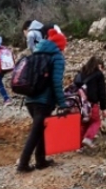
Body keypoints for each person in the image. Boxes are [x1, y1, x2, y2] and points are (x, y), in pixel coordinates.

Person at [17, 39, 68, 173]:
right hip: (44, 102)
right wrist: (63, 103)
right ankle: (23, 164)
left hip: (29, 100)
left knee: (40, 130)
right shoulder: (57, 57)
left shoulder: (34, 55)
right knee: (36, 132)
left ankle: (41, 161)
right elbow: (56, 82)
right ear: (60, 46)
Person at [77, 56, 106, 148]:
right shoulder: (99, 75)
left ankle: (78, 146)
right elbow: (102, 93)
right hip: (92, 104)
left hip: (80, 104)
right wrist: (104, 108)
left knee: (83, 123)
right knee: (96, 121)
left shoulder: (81, 74)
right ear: (99, 66)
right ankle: (88, 138)